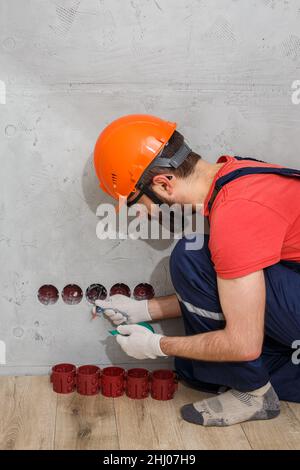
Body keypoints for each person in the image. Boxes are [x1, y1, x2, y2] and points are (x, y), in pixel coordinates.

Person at [93, 114, 300, 426]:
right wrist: (145, 310)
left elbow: (243, 344)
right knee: (194, 368)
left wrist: (155, 346)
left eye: (137, 202)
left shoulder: (235, 215)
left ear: (162, 183)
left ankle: (255, 394)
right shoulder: (235, 173)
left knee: (190, 258)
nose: (142, 214)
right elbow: (241, 288)